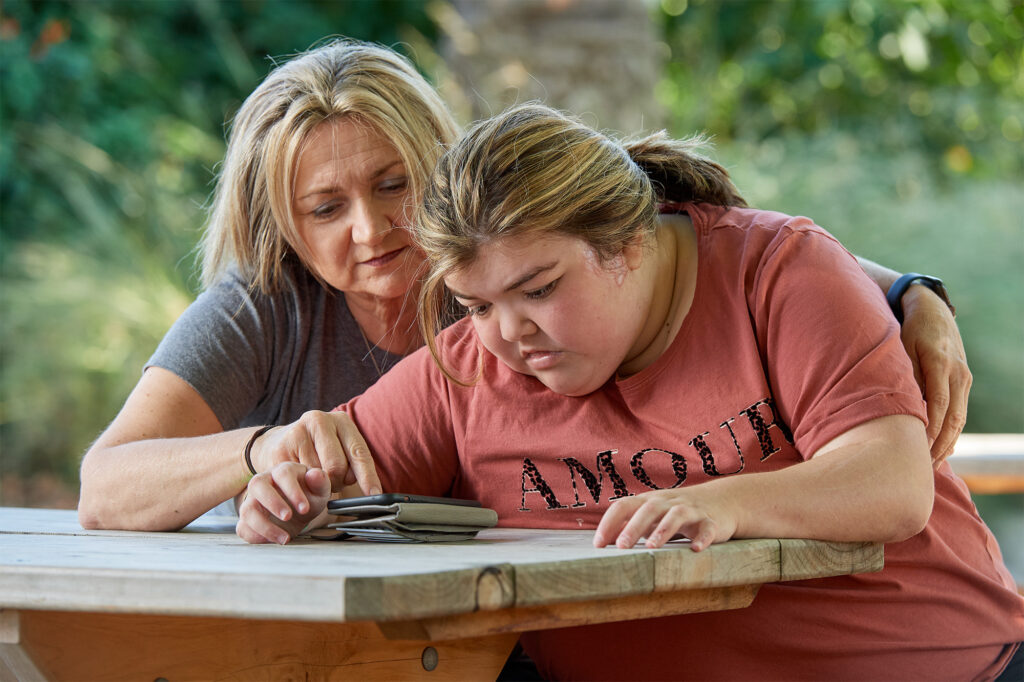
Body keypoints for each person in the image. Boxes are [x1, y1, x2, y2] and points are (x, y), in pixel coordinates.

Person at [237, 104, 1023, 681]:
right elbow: (324, 474)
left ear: (631, 241)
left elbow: (892, 483)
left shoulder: (779, 272)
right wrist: (287, 498)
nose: (508, 337)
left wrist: (727, 503)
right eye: (477, 306)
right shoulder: (469, 364)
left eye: (538, 290)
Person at [78, 38, 968, 532]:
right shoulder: (267, 311)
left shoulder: (515, 238)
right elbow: (111, 483)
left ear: (440, 166)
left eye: (393, 186)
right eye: (323, 207)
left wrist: (905, 292)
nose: (369, 228)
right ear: (283, 225)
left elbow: (734, 247)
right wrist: (272, 472)